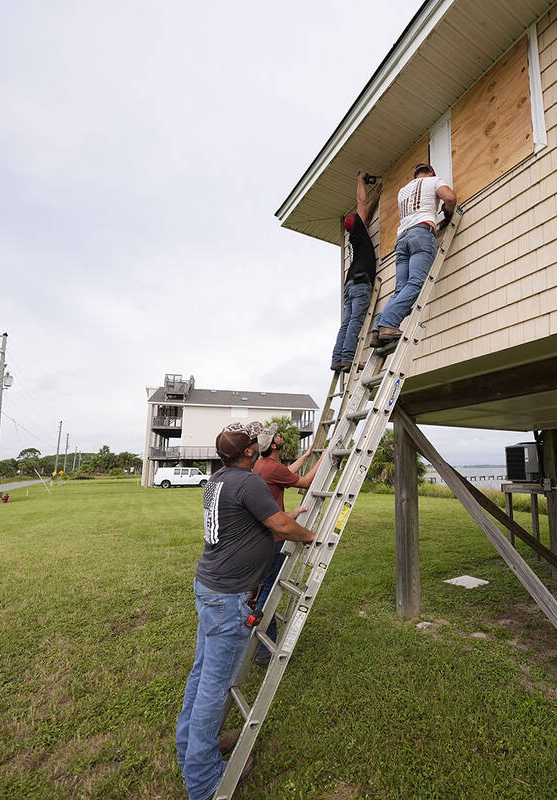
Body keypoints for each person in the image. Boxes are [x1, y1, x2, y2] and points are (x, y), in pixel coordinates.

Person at [175, 421, 316, 800]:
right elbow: (278, 526)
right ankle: (204, 782)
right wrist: (309, 535)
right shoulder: (249, 481)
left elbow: (244, 527)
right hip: (228, 597)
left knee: (202, 673)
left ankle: (189, 750)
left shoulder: (216, 482)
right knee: (214, 687)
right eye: (256, 442)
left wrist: (288, 520)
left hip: (208, 587)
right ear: (251, 451)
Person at [251, 423, 322, 663]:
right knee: (270, 590)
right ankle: (263, 649)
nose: (281, 437)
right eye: (278, 436)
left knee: (265, 586)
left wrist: (305, 457)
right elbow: (304, 483)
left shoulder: (264, 465)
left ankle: (254, 633)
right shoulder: (272, 468)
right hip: (273, 537)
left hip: (261, 535)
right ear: (273, 445)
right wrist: (326, 458)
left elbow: (287, 474)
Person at [368, 163, 456, 348]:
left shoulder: (403, 191)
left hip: (402, 240)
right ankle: (388, 324)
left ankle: (377, 331)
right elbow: (449, 197)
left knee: (400, 289)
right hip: (420, 234)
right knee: (416, 283)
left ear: (415, 174)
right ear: (431, 172)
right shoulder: (433, 181)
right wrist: (447, 213)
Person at [331, 171, 382, 371]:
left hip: (351, 283)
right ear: (358, 225)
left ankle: (338, 359)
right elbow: (361, 203)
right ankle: (348, 357)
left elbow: (365, 217)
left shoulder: (355, 237)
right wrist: (360, 179)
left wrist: (377, 199)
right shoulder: (359, 235)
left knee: (346, 323)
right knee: (354, 321)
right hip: (361, 283)